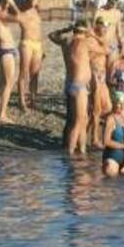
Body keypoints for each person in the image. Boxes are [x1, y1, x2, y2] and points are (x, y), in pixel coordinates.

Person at [49, 19, 92, 155]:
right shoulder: (83, 43)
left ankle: (79, 149)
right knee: (78, 120)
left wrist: (65, 30)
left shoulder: (66, 42)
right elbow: (105, 48)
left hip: (70, 81)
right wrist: (92, 33)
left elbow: (51, 35)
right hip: (78, 84)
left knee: (76, 119)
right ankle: (71, 151)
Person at [0, 0, 20, 122]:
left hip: (4, 49)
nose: (7, 5)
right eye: (5, 3)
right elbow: (18, 16)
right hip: (6, 50)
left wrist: (6, 3)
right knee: (8, 83)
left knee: (2, 82)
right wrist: (12, 2)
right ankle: (2, 114)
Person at [15, 0, 44, 110]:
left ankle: (33, 99)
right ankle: (21, 100)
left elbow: (39, 29)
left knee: (35, 74)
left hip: (37, 43)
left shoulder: (36, 10)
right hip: (26, 42)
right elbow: (31, 3)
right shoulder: (24, 6)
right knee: (24, 73)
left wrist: (44, 48)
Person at [86, 16, 113, 148]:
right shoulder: (90, 40)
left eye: (106, 27)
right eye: (103, 26)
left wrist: (101, 48)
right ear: (97, 26)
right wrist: (102, 50)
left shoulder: (101, 39)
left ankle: (86, 131)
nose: (105, 29)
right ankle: (94, 139)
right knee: (96, 109)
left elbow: (107, 49)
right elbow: (90, 55)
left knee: (107, 108)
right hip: (94, 75)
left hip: (102, 76)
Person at [101, 91, 124, 176]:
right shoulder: (110, 119)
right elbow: (106, 141)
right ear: (113, 103)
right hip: (112, 159)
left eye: (122, 104)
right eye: (117, 103)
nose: (120, 106)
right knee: (111, 186)